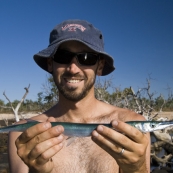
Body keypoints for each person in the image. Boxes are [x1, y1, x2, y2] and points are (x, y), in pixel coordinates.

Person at [8, 19, 150, 173]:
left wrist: (137, 169)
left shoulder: (133, 127)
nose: (73, 68)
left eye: (87, 58)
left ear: (100, 66)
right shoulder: (23, 133)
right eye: (63, 56)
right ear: (50, 63)